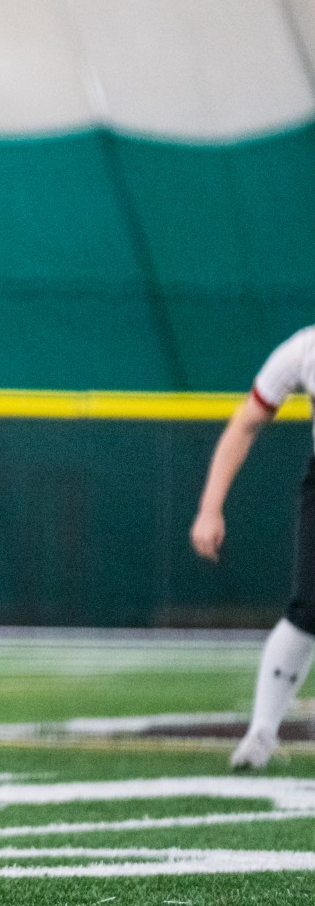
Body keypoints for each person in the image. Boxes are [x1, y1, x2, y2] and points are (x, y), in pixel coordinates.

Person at [190, 324, 315, 770]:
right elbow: (245, 423)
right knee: (308, 611)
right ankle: (261, 732)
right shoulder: (305, 349)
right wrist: (210, 507)